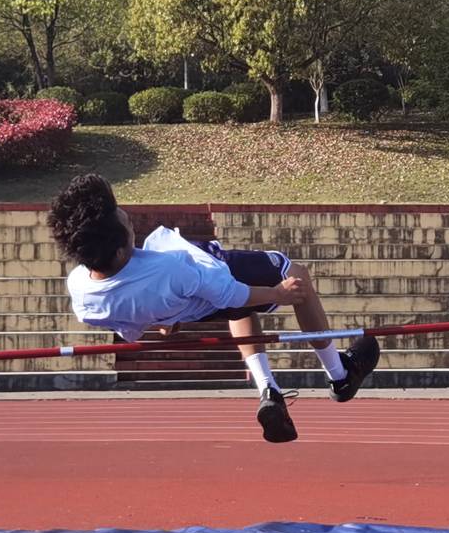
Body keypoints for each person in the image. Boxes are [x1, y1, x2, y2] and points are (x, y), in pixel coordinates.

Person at [47, 173, 380, 443]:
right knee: (297, 277)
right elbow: (232, 295)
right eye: (123, 220)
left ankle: (268, 389)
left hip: (185, 306)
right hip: (208, 277)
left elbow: (130, 328)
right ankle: (340, 375)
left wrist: (163, 317)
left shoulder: (83, 295)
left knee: (235, 311)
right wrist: (277, 292)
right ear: (120, 252)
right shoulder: (171, 268)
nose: (126, 217)